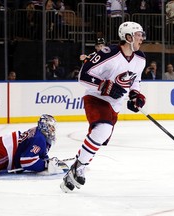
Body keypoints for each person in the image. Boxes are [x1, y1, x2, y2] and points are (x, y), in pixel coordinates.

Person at [60, 21, 147, 192]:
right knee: (103, 130)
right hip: (96, 98)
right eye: (138, 35)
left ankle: (78, 164)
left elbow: (135, 80)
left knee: (101, 137)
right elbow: (83, 76)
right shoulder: (109, 54)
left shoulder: (140, 58)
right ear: (128, 37)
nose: (141, 39)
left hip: (115, 104)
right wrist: (103, 86)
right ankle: (79, 166)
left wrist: (136, 95)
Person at [0, 114, 66, 177]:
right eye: (51, 127)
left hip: (3, 145)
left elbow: (39, 154)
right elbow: (26, 161)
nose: (53, 130)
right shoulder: (39, 138)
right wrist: (46, 165)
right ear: (45, 126)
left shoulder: (40, 134)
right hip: (5, 151)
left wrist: (47, 161)